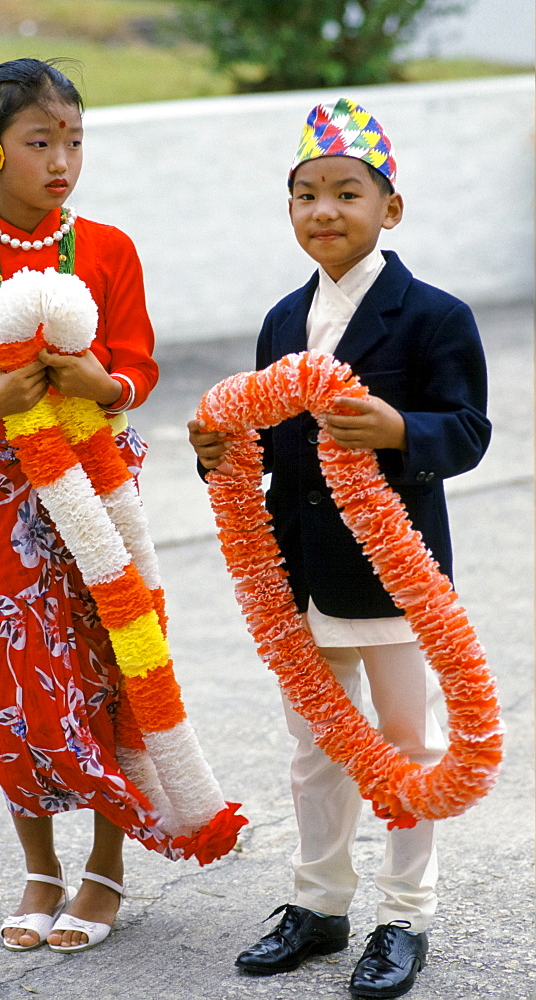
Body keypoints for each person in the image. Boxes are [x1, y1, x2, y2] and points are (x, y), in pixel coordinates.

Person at [188, 98, 491, 999]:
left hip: (393, 575)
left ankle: (405, 915)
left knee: (404, 742)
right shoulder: (282, 321)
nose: (324, 211)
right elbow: (268, 453)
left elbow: (468, 430)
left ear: (388, 207)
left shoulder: (432, 314)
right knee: (315, 749)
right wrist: (217, 459)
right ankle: (318, 903)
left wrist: (400, 428)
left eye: (345, 193)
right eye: (304, 195)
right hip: (302, 572)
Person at [0, 58, 164, 955]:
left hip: (98, 491)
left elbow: (138, 368)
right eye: (39, 142)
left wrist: (105, 381)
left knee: (104, 664)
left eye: (74, 141)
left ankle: (105, 866)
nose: (62, 161)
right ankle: (38, 869)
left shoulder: (108, 251)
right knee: (19, 682)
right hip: (0, 502)